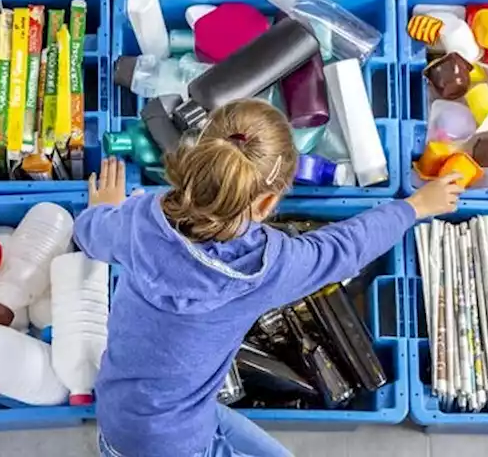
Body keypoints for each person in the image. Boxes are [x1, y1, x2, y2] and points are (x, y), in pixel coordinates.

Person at [74, 100, 463, 457]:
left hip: (134, 415)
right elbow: (346, 248)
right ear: (264, 204)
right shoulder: (264, 267)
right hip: (175, 444)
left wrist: (102, 211)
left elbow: (88, 234)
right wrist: (414, 206)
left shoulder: (137, 219)